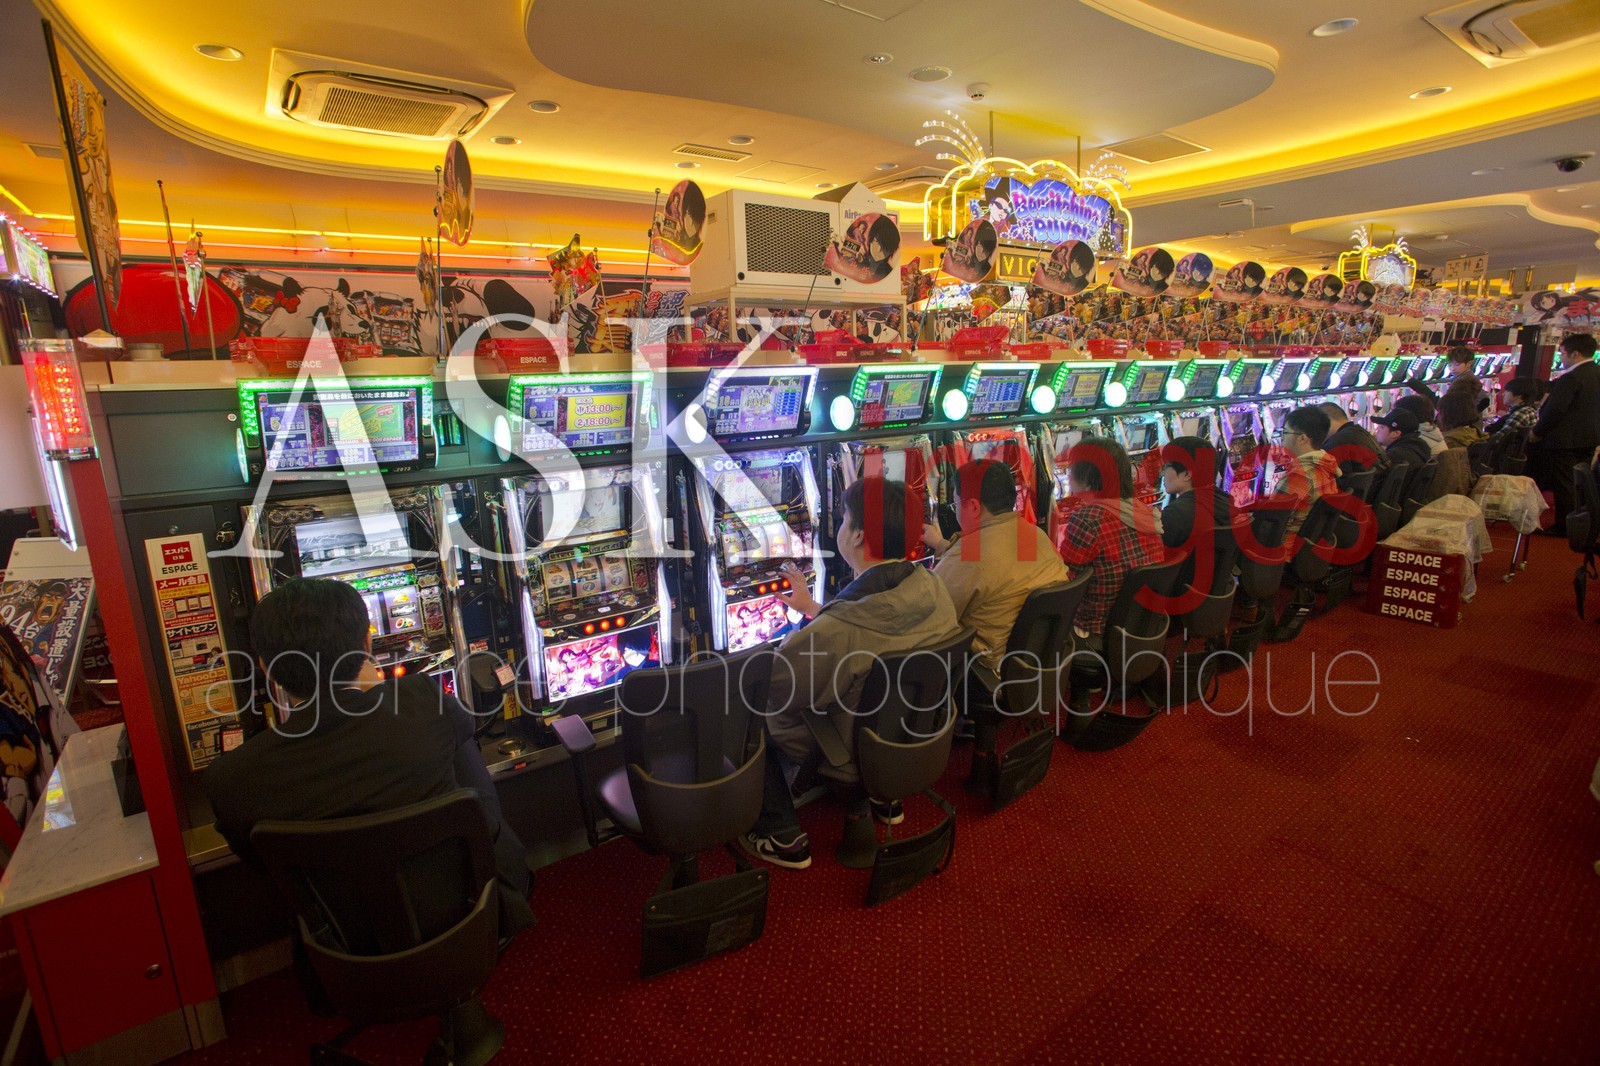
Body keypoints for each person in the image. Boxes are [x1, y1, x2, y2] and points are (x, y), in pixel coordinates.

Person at [204, 580, 535, 941]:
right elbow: (467, 744)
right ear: (367, 644)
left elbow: (264, 869)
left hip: (345, 946)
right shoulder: (424, 701)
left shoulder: (231, 779)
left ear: (267, 668)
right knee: (460, 751)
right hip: (465, 916)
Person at [743, 477, 959, 869]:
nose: (840, 527)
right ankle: (885, 798)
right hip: (913, 734)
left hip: (849, 751)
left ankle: (780, 832)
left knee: (745, 709)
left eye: (843, 519)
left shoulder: (839, 630)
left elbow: (775, 685)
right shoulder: (934, 587)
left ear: (857, 535)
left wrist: (794, 634)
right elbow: (873, 630)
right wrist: (815, 610)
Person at [924, 461, 1068, 790]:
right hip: (1039, 659)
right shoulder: (1034, 535)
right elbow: (995, 565)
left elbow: (930, 615)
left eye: (956, 504)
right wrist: (944, 546)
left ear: (974, 506)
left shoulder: (971, 555)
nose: (955, 511)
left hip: (987, 672)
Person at [1055, 438, 1165, 654]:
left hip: (1097, 629)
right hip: (1143, 623)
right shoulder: (1144, 511)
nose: (1067, 475)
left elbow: (1065, 585)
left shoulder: (1088, 519)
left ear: (1088, 479)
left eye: (1071, 469)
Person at [1529, 333, 1600, 534]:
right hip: (1590, 436)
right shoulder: (1596, 372)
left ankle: (1565, 526)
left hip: (1565, 439)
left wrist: (1538, 431)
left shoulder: (1571, 377)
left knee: (1565, 483)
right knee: (1580, 481)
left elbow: (1556, 409)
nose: (1561, 358)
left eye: (1562, 353)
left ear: (1575, 354)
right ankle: (1579, 522)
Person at [1271, 406, 1339, 539]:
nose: (1282, 438)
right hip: (1309, 545)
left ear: (1302, 438)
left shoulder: (1299, 475)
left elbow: (1271, 523)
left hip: (1284, 546)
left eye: (1285, 432)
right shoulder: (1327, 466)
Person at [1158, 435, 1232, 550]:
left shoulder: (1175, 514)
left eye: (1166, 467)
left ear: (1187, 474)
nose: (1162, 473)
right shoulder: (1226, 502)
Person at [1318, 401, 1390, 488]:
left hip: (1358, 495)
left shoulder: (1336, 443)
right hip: (1375, 492)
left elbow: (1333, 486)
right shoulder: (1361, 433)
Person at [1373, 409, 1432, 494]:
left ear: (1395, 434)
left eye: (1382, 428)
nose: (1377, 430)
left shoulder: (1394, 456)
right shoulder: (1419, 447)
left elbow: (1372, 486)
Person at [1411, 346, 1484, 407]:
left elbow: (1444, 406)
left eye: (1457, 364)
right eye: (1450, 365)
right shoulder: (1468, 378)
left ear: (1469, 364)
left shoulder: (1464, 382)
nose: (1453, 368)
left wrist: (1412, 382)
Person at [1484, 377, 1542, 444]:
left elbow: (1498, 439)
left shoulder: (1520, 413)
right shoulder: (1529, 410)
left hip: (1503, 449)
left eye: (1507, 391)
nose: (1503, 394)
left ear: (1519, 395)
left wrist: (1484, 429)